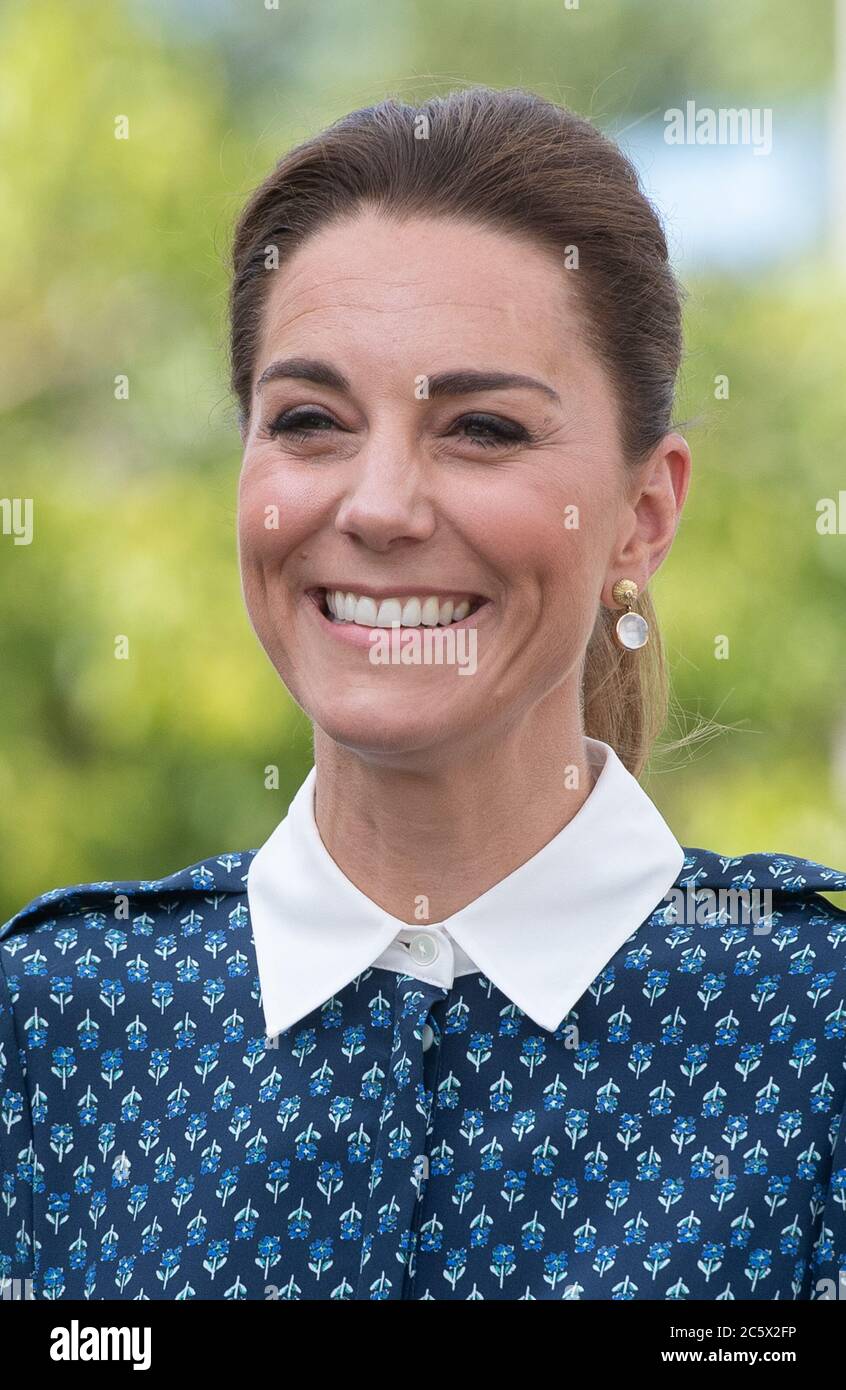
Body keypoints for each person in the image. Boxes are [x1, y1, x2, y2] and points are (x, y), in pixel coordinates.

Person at [2, 88, 844, 1302]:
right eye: (309, 421)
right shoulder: (55, 1028)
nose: (382, 506)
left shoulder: (814, 1037)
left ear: (642, 516)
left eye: (484, 428)